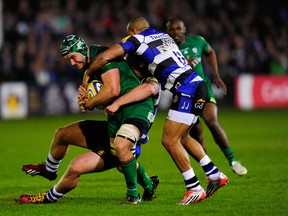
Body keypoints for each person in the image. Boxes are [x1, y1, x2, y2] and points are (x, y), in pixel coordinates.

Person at [82, 16, 229, 205]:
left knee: (169, 139)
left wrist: (87, 74)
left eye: (129, 35)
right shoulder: (164, 37)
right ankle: (214, 174)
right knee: (182, 137)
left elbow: (104, 57)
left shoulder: (136, 39)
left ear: (133, 31)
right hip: (193, 86)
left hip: (188, 90)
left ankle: (194, 188)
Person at [19, 35, 159, 205]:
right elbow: (102, 97)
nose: (71, 62)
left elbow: (112, 90)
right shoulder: (87, 68)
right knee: (63, 134)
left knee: (80, 165)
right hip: (115, 119)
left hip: (133, 112)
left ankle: (49, 198)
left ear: (82, 49)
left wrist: (90, 102)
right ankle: (49, 169)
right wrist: (86, 96)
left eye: (72, 57)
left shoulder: (103, 57)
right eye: (67, 59)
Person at [166, 18, 247, 176]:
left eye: (178, 28)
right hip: (185, 96)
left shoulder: (197, 41)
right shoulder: (166, 50)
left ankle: (232, 161)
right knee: (196, 134)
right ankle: (211, 170)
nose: (175, 32)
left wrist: (216, 75)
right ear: (167, 32)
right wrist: (183, 66)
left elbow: (210, 52)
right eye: (171, 29)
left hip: (203, 90)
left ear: (184, 29)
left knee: (211, 120)